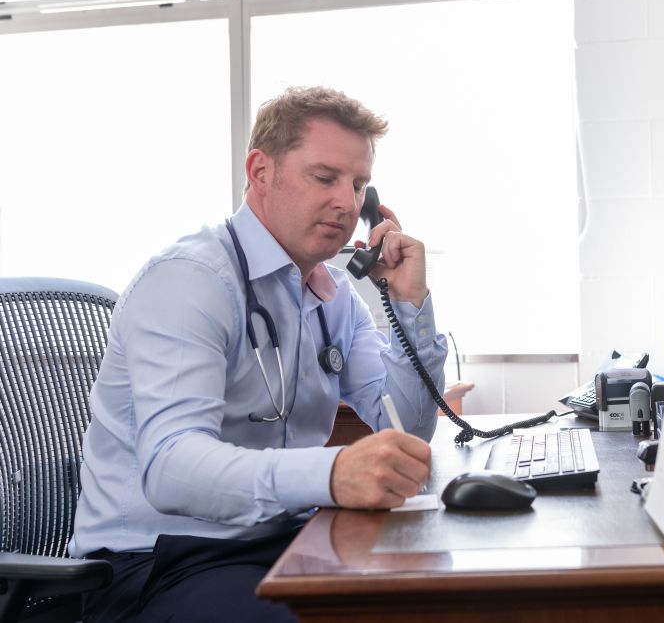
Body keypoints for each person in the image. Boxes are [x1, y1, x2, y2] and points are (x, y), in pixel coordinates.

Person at [69, 86, 448, 622]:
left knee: (428, 591)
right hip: (156, 562)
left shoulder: (332, 296)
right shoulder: (191, 280)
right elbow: (171, 468)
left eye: (359, 185)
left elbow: (406, 427)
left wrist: (408, 305)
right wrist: (333, 473)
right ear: (260, 171)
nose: (347, 201)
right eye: (325, 177)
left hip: (281, 539)